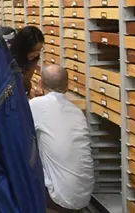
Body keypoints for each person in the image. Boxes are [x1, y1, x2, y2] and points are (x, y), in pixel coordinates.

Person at [29, 65, 94, 212]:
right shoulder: (77, 112)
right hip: (83, 196)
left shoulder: (36, 105)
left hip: (57, 199)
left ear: (39, 83)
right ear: (67, 86)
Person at [10, 26, 45, 97]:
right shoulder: (10, 58)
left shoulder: (34, 57)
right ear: (24, 47)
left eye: (39, 49)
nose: (36, 54)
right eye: (33, 50)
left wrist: (29, 92)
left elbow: (26, 80)